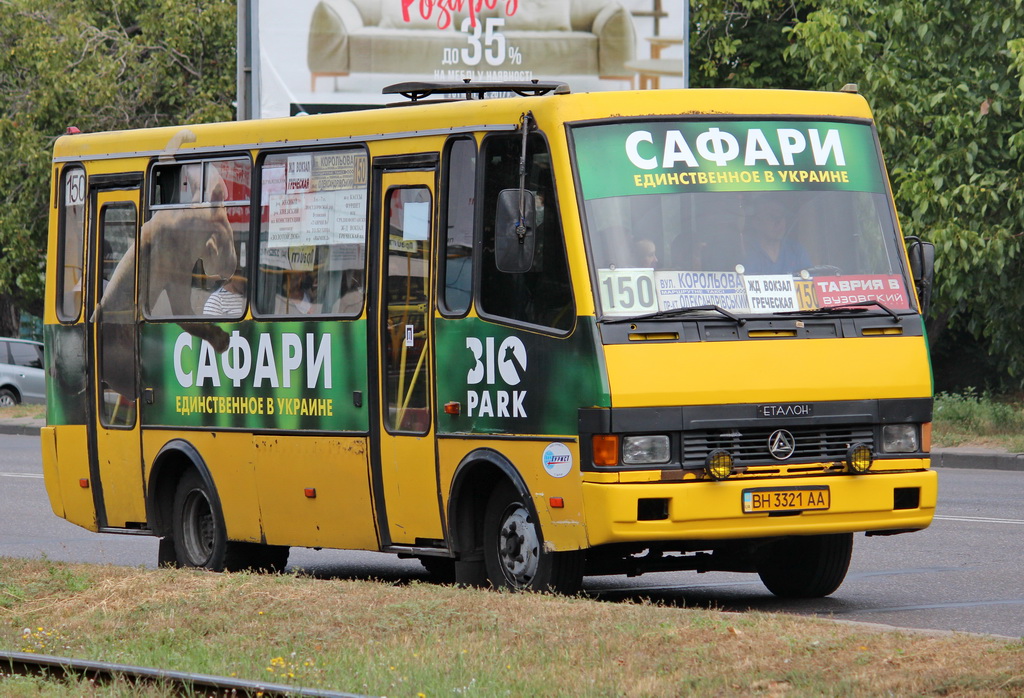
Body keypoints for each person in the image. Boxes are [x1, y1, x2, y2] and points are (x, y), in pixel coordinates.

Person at [740, 199, 812, 275]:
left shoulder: (796, 250)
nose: (779, 222)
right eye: (773, 217)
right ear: (757, 222)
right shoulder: (745, 252)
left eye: (782, 216)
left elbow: (810, 280)